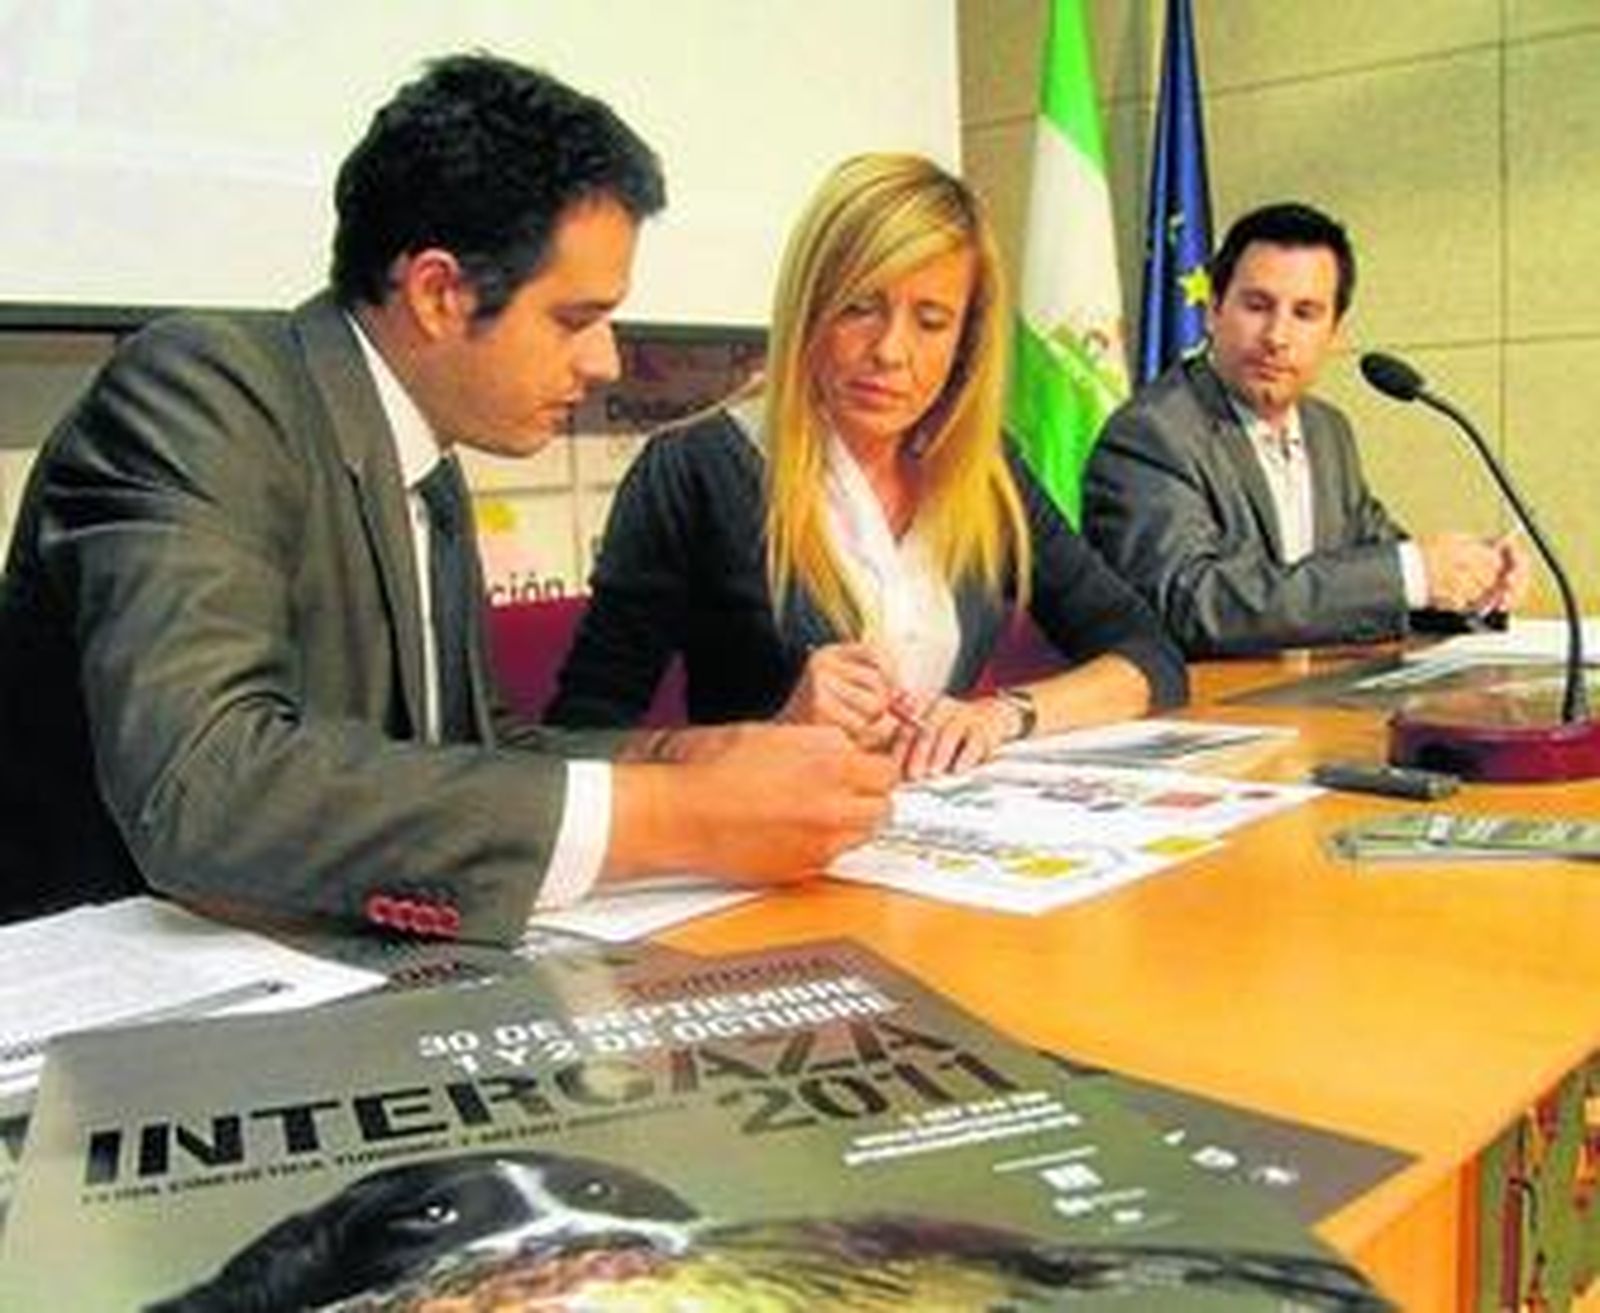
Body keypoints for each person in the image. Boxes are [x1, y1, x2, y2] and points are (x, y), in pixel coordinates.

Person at [0, 54, 897, 938]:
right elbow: (208, 785)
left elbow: (473, 751)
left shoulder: (423, 446)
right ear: (437, 292)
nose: (607, 361)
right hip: (116, 1033)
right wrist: (666, 815)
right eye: (575, 318)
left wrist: (692, 755)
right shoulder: (201, 395)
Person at [547, 153, 1186, 777]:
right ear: (809, 307)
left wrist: (1002, 714)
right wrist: (775, 736)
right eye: (858, 307)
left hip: (942, 847)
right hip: (766, 854)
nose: (889, 351)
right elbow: (574, 741)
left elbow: (1146, 655)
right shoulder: (695, 469)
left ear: (967, 342)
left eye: (931, 321)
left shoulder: (986, 471)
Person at [1082, 201, 1529, 657]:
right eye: (1257, 305)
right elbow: (1189, 604)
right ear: (1213, 310)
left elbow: (1373, 575)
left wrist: (1468, 583)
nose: (1277, 336)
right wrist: (1411, 574)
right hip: (1203, 709)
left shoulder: (1327, 431)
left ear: (1334, 333)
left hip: (1307, 703)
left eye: (1305, 313)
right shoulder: (1151, 435)